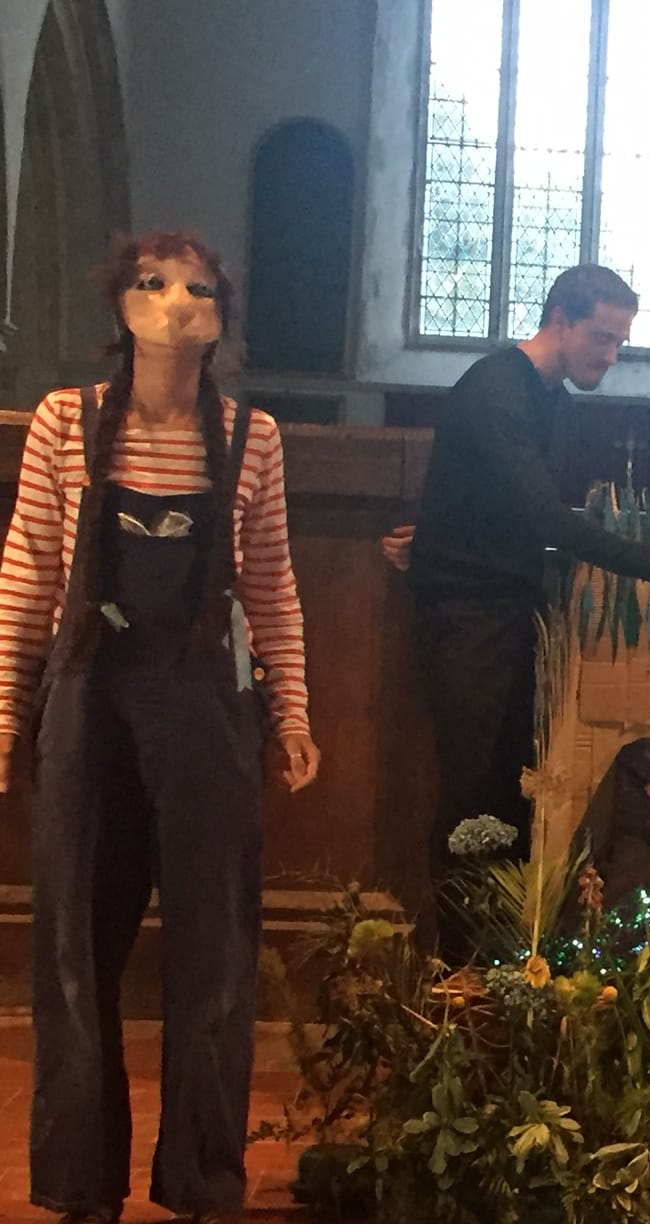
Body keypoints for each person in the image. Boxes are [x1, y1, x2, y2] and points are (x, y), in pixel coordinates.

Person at [0, 231, 320, 1224]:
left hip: (204, 709)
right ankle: (78, 1182)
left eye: (198, 288)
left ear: (220, 316)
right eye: (154, 283)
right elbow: (29, 571)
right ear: (121, 305)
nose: (177, 302)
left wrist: (292, 711)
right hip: (88, 702)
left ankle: (202, 1181)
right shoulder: (65, 422)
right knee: (72, 949)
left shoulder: (253, 436)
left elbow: (270, 582)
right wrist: (5, 708)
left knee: (214, 954)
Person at [399, 264, 650, 957]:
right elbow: (542, 516)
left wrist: (434, 533)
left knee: (511, 788)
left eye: (619, 343)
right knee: (471, 788)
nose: (611, 356)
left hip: (512, 612)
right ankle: (457, 963)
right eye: (602, 338)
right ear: (559, 320)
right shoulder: (495, 390)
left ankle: (498, 954)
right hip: (468, 619)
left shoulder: (554, 402)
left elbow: (494, 506)